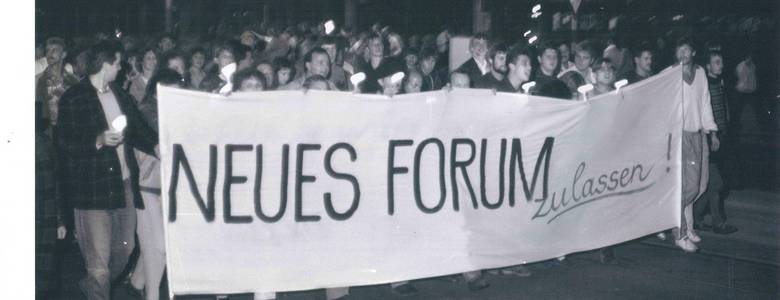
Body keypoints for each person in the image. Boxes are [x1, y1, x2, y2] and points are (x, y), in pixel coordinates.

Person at [55, 40, 158, 300]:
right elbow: (64, 142)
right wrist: (97, 140)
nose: (121, 68)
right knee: (99, 264)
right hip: (92, 190)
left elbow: (137, 129)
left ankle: (93, 285)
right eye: (118, 63)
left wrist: (156, 145)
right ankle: (97, 288)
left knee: (126, 250)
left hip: (123, 185)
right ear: (106, 64)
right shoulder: (73, 97)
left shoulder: (120, 95)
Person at [126, 68, 183, 300]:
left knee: (153, 244)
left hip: (162, 186)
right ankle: (150, 294)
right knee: (160, 245)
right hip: (147, 186)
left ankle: (138, 281)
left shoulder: (167, 110)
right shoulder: (148, 112)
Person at [673, 36, 718, 253]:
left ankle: (688, 226)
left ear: (693, 53)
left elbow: (705, 101)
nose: (683, 54)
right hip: (680, 137)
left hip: (699, 134)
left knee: (700, 185)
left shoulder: (700, 73)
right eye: (679, 51)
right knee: (688, 187)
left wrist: (712, 132)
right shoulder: (669, 75)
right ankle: (679, 232)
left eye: (686, 50)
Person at [694, 51, 738, 235]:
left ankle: (694, 218)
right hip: (710, 139)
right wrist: (713, 134)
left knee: (711, 184)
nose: (721, 65)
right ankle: (718, 223)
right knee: (716, 183)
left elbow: (723, 110)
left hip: (720, 139)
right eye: (716, 62)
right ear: (708, 66)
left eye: (721, 62)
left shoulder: (719, 83)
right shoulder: (705, 86)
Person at [36, 37, 80, 128]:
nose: (49, 54)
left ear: (63, 55)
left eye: (54, 50)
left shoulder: (73, 82)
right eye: (47, 50)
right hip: (47, 134)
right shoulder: (38, 80)